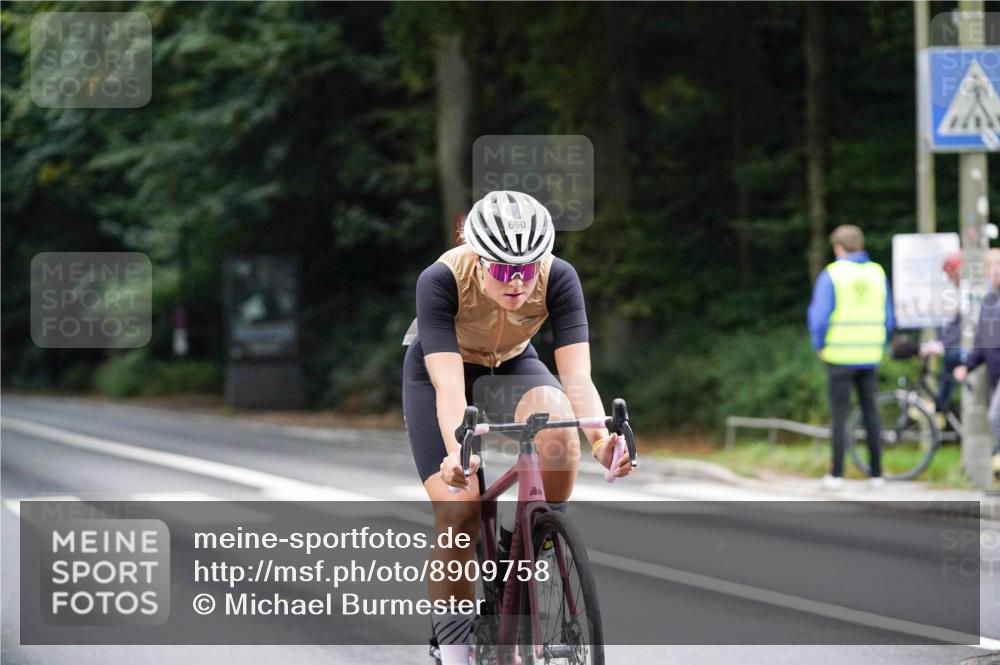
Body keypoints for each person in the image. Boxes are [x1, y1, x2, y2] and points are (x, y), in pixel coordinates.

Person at [402, 190, 632, 664]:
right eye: (504, 270)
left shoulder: (559, 277)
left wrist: (601, 441)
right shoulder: (440, 280)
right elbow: (448, 391)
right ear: (479, 259)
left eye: (527, 269)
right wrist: (455, 456)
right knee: (459, 514)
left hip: (511, 361)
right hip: (443, 370)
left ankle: (524, 542)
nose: (518, 282)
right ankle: (455, 650)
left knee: (557, 424)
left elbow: (577, 378)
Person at [807, 225, 894, 490]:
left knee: (840, 416)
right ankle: (877, 474)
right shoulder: (877, 273)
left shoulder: (833, 274)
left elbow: (819, 316)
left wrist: (819, 344)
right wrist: (881, 341)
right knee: (871, 414)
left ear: (838, 248)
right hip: (870, 354)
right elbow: (888, 316)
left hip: (840, 355)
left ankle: (837, 475)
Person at [952, 248, 1000, 473]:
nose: (995, 271)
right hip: (995, 375)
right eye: (991, 266)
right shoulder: (989, 301)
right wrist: (967, 365)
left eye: (998, 265)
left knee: (995, 417)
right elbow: (982, 341)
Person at [920, 251, 964, 414]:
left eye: (950, 273)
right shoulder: (957, 291)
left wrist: (943, 344)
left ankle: (940, 406)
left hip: (974, 349)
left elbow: (964, 325)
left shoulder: (967, 291)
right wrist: (939, 341)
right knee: (949, 359)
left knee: (951, 356)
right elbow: (952, 324)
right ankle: (940, 406)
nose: (949, 278)